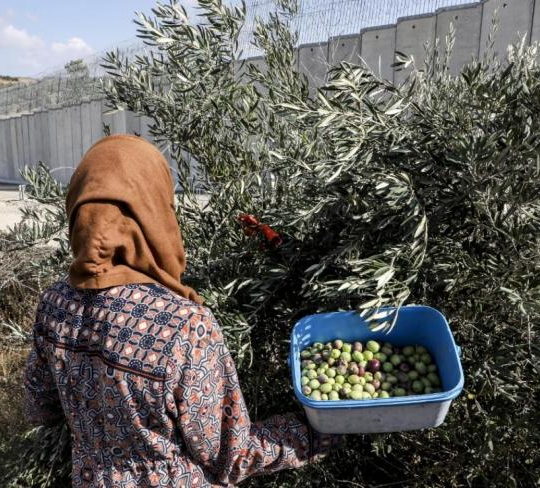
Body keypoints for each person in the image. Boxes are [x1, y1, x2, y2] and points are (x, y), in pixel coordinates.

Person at [24, 134, 344, 487]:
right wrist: (317, 432)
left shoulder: (54, 304)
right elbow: (229, 456)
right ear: (153, 211)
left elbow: (42, 407)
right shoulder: (183, 324)